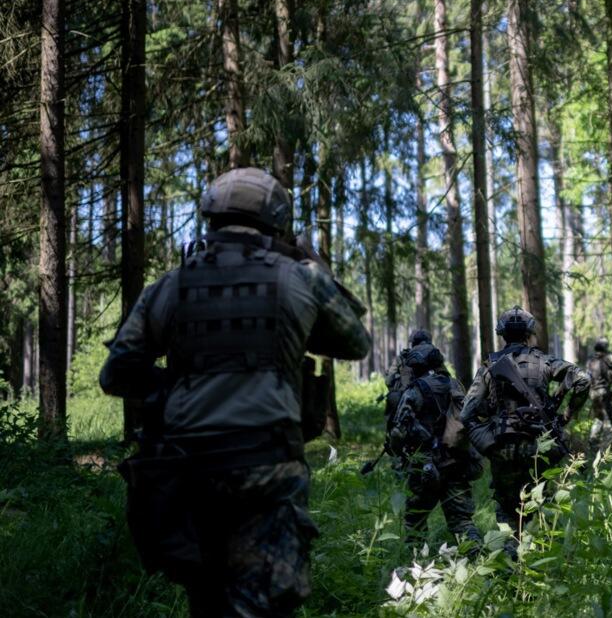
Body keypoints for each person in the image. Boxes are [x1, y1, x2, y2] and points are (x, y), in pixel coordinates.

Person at [100, 167, 371, 617]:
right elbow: (354, 343)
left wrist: (182, 386)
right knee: (260, 604)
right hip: (266, 467)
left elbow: (117, 373)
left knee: (205, 599)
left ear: (211, 217)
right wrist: (316, 270)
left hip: (186, 472)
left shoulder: (171, 285)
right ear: (276, 220)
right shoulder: (298, 278)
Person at [460, 306, 590, 549]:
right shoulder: (545, 361)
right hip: (540, 445)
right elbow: (583, 379)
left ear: (502, 334)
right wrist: (567, 415)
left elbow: (466, 412)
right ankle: (541, 558)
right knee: (540, 505)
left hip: (503, 448)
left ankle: (512, 559)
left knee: (508, 513)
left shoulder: (489, 366)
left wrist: (485, 437)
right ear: (529, 333)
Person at [385, 342, 482, 550]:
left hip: (423, 466)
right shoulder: (454, 384)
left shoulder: (414, 390)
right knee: (462, 522)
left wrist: (396, 450)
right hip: (456, 463)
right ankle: (478, 557)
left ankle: (414, 562)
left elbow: (399, 431)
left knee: (415, 523)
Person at [573, 338, 612, 452]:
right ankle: (605, 448)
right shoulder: (609, 357)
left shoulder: (590, 360)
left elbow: (587, 376)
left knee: (598, 418)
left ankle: (593, 441)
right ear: (605, 347)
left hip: (593, 393)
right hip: (605, 393)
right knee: (611, 419)